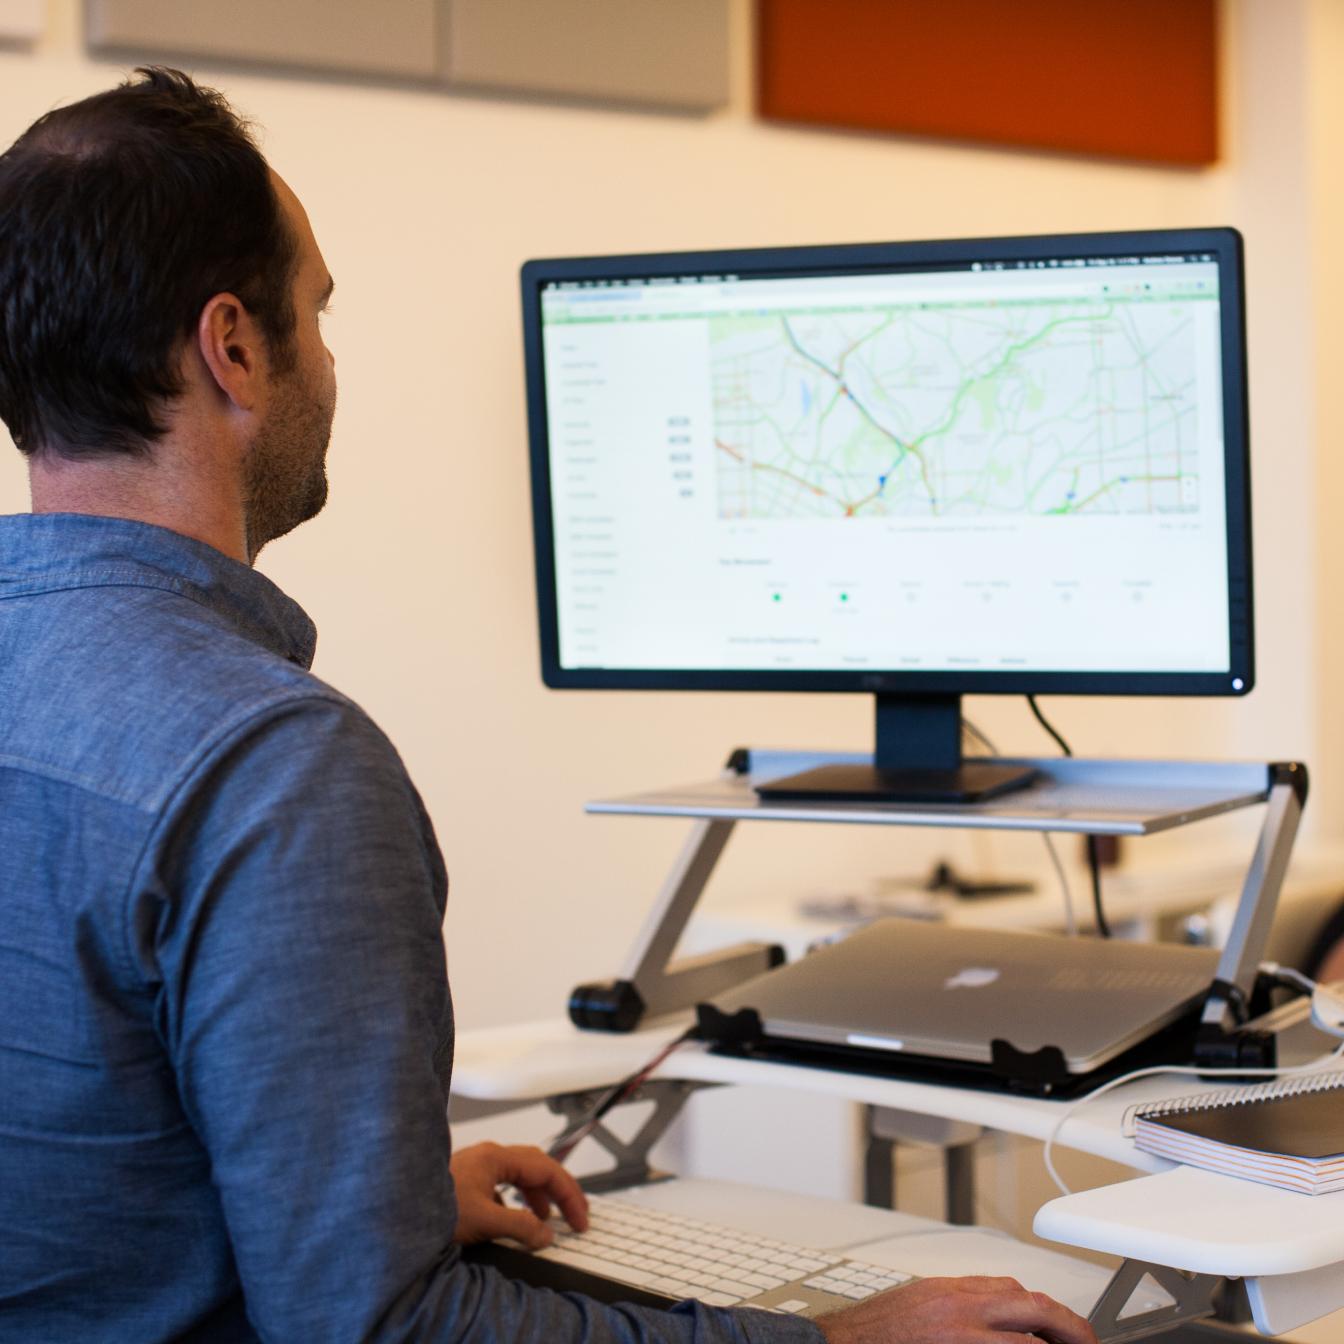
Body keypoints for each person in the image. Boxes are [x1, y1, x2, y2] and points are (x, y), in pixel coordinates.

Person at [0, 67, 1099, 1344]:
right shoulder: (275, 767)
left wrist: (366, 1205)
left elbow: (73, 1182)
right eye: (321, 312)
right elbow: (385, 1335)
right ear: (235, 347)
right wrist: (832, 1339)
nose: (335, 364)